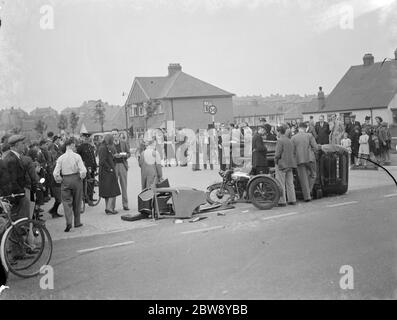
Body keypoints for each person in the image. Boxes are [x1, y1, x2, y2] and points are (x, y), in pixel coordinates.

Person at [53, 138, 87, 232]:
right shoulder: (77, 156)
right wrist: (81, 176)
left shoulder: (61, 158)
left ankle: (68, 222)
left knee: (66, 202)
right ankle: (77, 222)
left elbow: (55, 173)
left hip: (65, 180)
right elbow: (83, 170)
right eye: (74, 145)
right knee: (77, 201)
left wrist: (59, 179)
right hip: (76, 179)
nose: (75, 147)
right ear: (71, 145)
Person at [291, 123, 318, 202]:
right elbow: (316, 147)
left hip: (299, 160)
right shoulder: (309, 135)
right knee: (313, 174)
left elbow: (292, 151)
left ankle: (307, 196)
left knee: (303, 178)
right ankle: (309, 191)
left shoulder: (293, 138)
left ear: (299, 128)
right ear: (305, 128)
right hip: (310, 158)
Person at [97, 134, 120, 215]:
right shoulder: (103, 148)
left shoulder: (104, 146)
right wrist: (109, 168)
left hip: (105, 172)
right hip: (107, 172)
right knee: (112, 191)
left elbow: (106, 158)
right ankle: (109, 209)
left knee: (107, 192)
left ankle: (108, 208)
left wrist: (113, 157)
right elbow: (102, 161)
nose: (112, 141)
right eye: (111, 140)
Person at [274, 125, 297, 207]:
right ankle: (292, 200)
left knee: (280, 183)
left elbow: (277, 154)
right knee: (290, 183)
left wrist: (276, 161)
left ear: (279, 132)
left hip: (282, 164)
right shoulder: (290, 140)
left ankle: (282, 201)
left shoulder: (280, 141)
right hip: (290, 164)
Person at [111, 129, 131, 211]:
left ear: (118, 135)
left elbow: (129, 153)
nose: (114, 136)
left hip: (122, 165)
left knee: (124, 186)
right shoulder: (110, 145)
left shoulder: (123, 143)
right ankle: (112, 207)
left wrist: (124, 155)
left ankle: (125, 205)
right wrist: (114, 156)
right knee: (114, 187)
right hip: (114, 166)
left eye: (115, 134)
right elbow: (108, 156)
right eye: (112, 134)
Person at [77, 132, 98, 207]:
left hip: (92, 167)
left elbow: (93, 157)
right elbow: (78, 158)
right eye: (86, 138)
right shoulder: (80, 147)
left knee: (91, 183)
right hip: (85, 168)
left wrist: (95, 166)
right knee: (87, 184)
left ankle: (91, 197)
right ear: (83, 139)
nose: (87, 139)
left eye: (88, 138)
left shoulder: (90, 146)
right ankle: (87, 199)